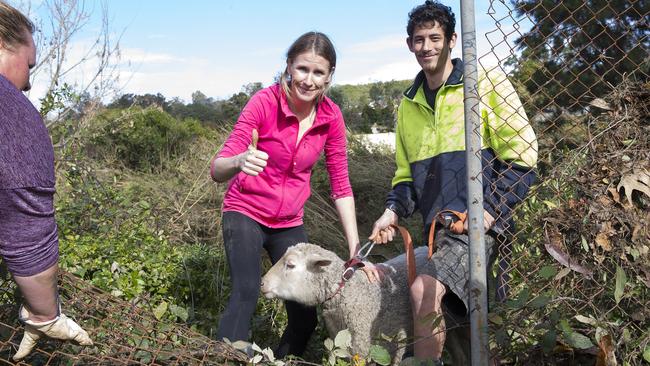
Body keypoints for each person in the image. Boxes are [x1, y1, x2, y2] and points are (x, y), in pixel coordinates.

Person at [369, 1, 538, 363]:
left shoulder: (483, 82)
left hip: (482, 226)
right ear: (409, 44)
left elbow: (523, 155)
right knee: (462, 337)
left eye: (435, 37)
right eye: (418, 39)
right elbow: (405, 178)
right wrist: (391, 211)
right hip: (438, 231)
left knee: (423, 292)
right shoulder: (408, 105)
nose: (426, 47)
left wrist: (489, 210)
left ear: (453, 40)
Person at [210, 31, 374, 358]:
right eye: (302, 69)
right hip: (245, 211)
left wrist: (356, 250)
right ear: (288, 66)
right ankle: (226, 358)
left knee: (304, 316)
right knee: (246, 291)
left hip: (288, 222)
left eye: (318, 73)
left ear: (329, 76)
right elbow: (217, 169)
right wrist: (240, 161)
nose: (308, 80)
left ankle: (281, 361)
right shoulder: (264, 102)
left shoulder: (331, 117)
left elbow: (341, 185)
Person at [0, 1, 93, 361]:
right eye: (29, 66)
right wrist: (43, 314)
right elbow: (24, 224)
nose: (27, 83)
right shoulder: (12, 111)